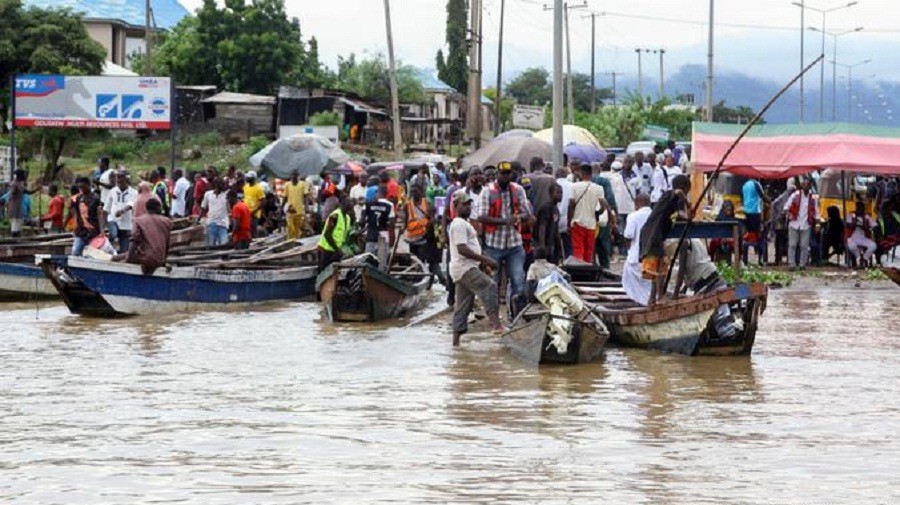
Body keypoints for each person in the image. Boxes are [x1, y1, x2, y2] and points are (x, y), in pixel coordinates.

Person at [448, 191, 502, 346]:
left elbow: (471, 247)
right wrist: (486, 260)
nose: (468, 207)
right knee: (489, 286)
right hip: (465, 268)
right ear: (456, 206)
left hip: (462, 269)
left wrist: (482, 264)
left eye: (469, 204)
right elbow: (462, 249)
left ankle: (455, 343)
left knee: (462, 306)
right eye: (464, 204)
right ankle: (496, 326)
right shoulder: (459, 223)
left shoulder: (463, 223)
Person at [479, 161, 531, 314]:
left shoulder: (518, 189)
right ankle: (493, 315)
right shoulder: (487, 191)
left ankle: (516, 314)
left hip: (514, 243)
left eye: (508, 173)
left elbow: (527, 214)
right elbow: (482, 216)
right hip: (493, 244)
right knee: (492, 283)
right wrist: (504, 221)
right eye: (503, 173)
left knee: (518, 280)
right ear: (497, 174)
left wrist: (518, 217)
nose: (506, 177)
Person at [639, 174, 692, 303]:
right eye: (687, 191)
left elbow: (682, 216)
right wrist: (687, 202)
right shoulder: (671, 194)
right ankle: (660, 297)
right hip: (653, 235)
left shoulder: (670, 201)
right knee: (659, 267)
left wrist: (688, 211)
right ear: (684, 188)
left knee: (658, 267)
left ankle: (653, 298)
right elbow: (679, 193)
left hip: (653, 234)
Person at [119, 198, 171, 275]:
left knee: (119, 257)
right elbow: (167, 244)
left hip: (145, 259)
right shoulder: (167, 222)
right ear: (159, 208)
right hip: (160, 260)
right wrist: (163, 262)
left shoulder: (138, 220)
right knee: (123, 255)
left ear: (146, 209)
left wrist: (127, 260)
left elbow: (134, 242)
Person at [402, 185, 443, 283]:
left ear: (421, 192)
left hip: (424, 237)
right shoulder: (407, 205)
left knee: (422, 259)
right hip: (413, 238)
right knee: (415, 260)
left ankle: (423, 279)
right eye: (412, 191)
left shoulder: (427, 203)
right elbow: (405, 221)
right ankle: (420, 279)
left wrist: (429, 223)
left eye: (416, 191)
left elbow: (433, 218)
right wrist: (402, 231)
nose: (414, 194)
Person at [568, 164, 608, 263]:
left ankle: (579, 268)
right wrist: (598, 213)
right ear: (591, 174)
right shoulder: (598, 188)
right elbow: (604, 205)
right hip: (591, 223)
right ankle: (587, 268)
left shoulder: (574, 187)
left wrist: (569, 221)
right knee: (589, 250)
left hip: (578, 222)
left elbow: (571, 205)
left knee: (578, 248)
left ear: (581, 173)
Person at [623, 194, 653, 305]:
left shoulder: (633, 216)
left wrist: (629, 248)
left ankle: (638, 302)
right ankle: (649, 302)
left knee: (630, 283)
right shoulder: (655, 215)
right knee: (649, 284)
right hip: (652, 257)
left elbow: (628, 235)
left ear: (637, 203)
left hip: (636, 258)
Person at [785, 177, 819, 270]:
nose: (805, 186)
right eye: (804, 184)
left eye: (807, 185)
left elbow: (816, 213)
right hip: (794, 223)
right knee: (792, 245)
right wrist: (789, 214)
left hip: (806, 225)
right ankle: (791, 264)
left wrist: (817, 224)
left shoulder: (813, 198)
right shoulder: (795, 195)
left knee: (804, 246)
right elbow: (786, 207)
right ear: (801, 185)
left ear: (810, 186)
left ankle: (802, 265)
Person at [317, 198, 354, 273]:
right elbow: (327, 234)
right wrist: (337, 250)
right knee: (324, 274)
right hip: (326, 250)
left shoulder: (347, 218)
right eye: (349, 202)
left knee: (335, 274)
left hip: (336, 251)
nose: (351, 204)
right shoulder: (335, 216)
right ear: (343, 204)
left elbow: (343, 236)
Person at [592, 162, 618, 269]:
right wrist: (614, 214)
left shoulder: (583, 182)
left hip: (588, 217)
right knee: (603, 243)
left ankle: (591, 267)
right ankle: (605, 268)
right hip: (602, 216)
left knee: (590, 245)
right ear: (599, 170)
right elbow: (610, 198)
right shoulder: (604, 181)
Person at [361, 186, 395, 265]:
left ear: (377, 193)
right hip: (383, 236)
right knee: (382, 263)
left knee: (368, 261)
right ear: (386, 194)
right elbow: (392, 224)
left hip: (371, 235)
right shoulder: (390, 205)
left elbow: (362, 221)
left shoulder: (368, 204)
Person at [105, 172, 137, 253]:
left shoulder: (134, 192)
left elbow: (131, 204)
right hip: (113, 220)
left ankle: (119, 255)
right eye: (118, 182)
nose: (119, 184)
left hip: (126, 224)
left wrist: (122, 211)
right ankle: (112, 248)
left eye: (121, 181)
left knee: (124, 250)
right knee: (113, 235)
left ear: (126, 180)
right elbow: (106, 208)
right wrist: (103, 226)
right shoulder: (112, 191)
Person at [72, 177, 103, 256]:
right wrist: (76, 225)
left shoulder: (95, 198)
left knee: (91, 254)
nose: (82, 189)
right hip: (81, 231)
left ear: (89, 185)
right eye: (80, 187)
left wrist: (102, 231)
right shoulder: (79, 198)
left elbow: (100, 214)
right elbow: (77, 213)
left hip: (93, 231)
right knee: (75, 252)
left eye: (83, 187)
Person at [533, 183, 563, 264]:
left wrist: (559, 248)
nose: (560, 195)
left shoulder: (556, 209)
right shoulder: (546, 208)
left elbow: (556, 229)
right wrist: (542, 248)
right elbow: (542, 228)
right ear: (551, 194)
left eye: (561, 192)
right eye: (557, 192)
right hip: (544, 244)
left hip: (551, 244)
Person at [845, 201, 878, 267]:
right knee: (851, 246)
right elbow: (847, 224)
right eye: (859, 207)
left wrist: (867, 227)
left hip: (863, 238)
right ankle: (859, 257)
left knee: (873, 245)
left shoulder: (866, 216)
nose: (860, 209)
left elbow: (875, 225)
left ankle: (865, 258)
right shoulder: (851, 215)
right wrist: (854, 224)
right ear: (856, 207)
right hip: (852, 238)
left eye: (862, 208)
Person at [6, 169, 38, 236]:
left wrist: (37, 189)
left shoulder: (20, 184)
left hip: (18, 209)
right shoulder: (14, 184)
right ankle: (14, 240)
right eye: (23, 175)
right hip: (14, 209)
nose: (25, 176)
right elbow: (10, 194)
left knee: (18, 227)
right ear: (20, 176)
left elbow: (28, 192)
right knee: (15, 227)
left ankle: (17, 240)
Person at [201, 179, 230, 246]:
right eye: (222, 185)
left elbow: (229, 209)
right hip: (211, 223)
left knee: (224, 245)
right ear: (217, 185)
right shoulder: (208, 194)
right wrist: (200, 219)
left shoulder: (226, 195)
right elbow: (203, 207)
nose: (224, 186)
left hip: (223, 224)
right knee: (211, 246)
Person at [284, 170, 311, 239]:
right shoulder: (287, 185)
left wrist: (307, 207)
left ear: (298, 176)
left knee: (297, 228)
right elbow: (285, 197)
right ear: (290, 176)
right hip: (290, 210)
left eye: (295, 175)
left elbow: (306, 196)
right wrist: (281, 207)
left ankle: (296, 241)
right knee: (290, 227)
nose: (294, 176)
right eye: (293, 175)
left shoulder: (303, 184)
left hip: (299, 210)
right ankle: (290, 241)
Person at [555, 167, 573, 259]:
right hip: (568, 220)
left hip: (555, 220)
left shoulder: (553, 184)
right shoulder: (572, 185)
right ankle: (569, 264)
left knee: (555, 246)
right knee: (568, 246)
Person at [242, 171, 265, 238]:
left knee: (253, 230)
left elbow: (263, 202)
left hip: (253, 214)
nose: (246, 178)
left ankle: (255, 242)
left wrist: (254, 211)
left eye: (248, 177)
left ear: (253, 178)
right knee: (246, 230)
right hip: (246, 212)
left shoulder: (258, 188)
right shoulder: (245, 187)